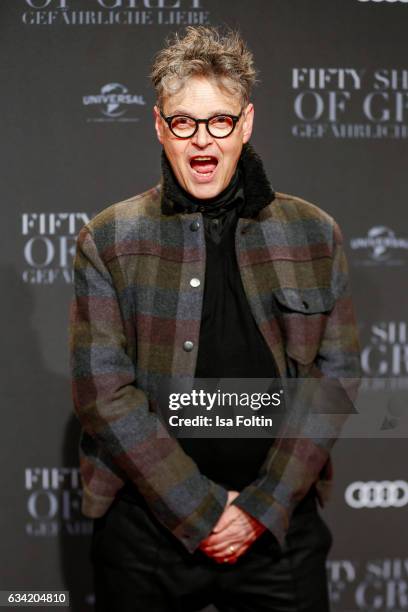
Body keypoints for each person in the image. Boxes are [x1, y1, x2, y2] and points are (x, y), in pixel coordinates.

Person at [69, 26, 361, 612]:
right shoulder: (110, 237)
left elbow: (336, 379)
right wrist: (203, 511)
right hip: (145, 530)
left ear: (245, 124)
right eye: (184, 122)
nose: (202, 140)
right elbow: (103, 392)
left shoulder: (314, 233)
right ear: (160, 126)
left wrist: (257, 511)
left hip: (279, 526)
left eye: (219, 121)